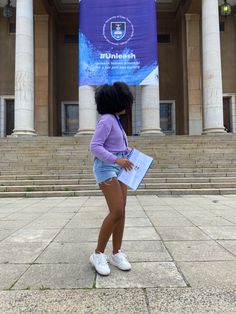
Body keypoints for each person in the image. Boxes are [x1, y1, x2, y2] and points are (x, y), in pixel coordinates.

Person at [89, 82, 134, 276]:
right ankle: (98, 254)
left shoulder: (115, 119)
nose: (128, 105)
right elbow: (95, 146)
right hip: (106, 168)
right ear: (115, 101)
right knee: (116, 211)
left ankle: (116, 253)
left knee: (121, 212)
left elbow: (117, 145)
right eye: (125, 101)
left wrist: (129, 153)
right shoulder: (106, 120)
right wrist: (117, 159)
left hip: (119, 167)